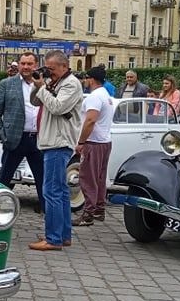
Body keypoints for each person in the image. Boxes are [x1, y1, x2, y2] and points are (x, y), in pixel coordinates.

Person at [28, 50, 84, 251]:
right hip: (53, 141)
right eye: (47, 68)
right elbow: (35, 101)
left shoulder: (71, 84)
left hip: (58, 143)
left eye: (51, 69)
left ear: (64, 66)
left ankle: (53, 239)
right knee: (60, 191)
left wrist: (43, 87)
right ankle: (63, 235)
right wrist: (40, 85)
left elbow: (58, 107)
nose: (48, 72)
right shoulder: (56, 82)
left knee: (50, 191)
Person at [0, 52, 45, 212]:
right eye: (23, 63)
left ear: (35, 65)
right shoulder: (7, 84)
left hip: (38, 138)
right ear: (19, 65)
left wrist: (41, 86)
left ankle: (45, 208)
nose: (26, 67)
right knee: (4, 178)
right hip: (15, 138)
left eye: (29, 64)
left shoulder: (44, 84)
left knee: (42, 178)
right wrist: (3, 135)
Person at [73, 66, 115, 226]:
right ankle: (99, 208)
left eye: (86, 78)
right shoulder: (106, 95)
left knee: (88, 178)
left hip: (94, 142)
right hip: (105, 141)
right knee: (99, 178)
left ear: (91, 79)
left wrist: (81, 142)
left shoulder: (94, 97)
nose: (84, 81)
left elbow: (90, 120)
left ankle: (88, 213)